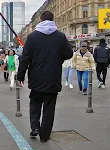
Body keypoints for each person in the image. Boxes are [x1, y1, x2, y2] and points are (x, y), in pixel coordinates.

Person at [17, 11, 73, 142]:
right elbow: (69, 54)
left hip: (36, 77)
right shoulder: (60, 36)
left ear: (41, 20)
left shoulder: (32, 37)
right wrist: (58, 56)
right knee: (49, 106)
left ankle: (35, 127)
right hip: (53, 77)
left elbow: (25, 58)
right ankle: (45, 135)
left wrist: (20, 76)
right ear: (53, 20)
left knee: (35, 102)